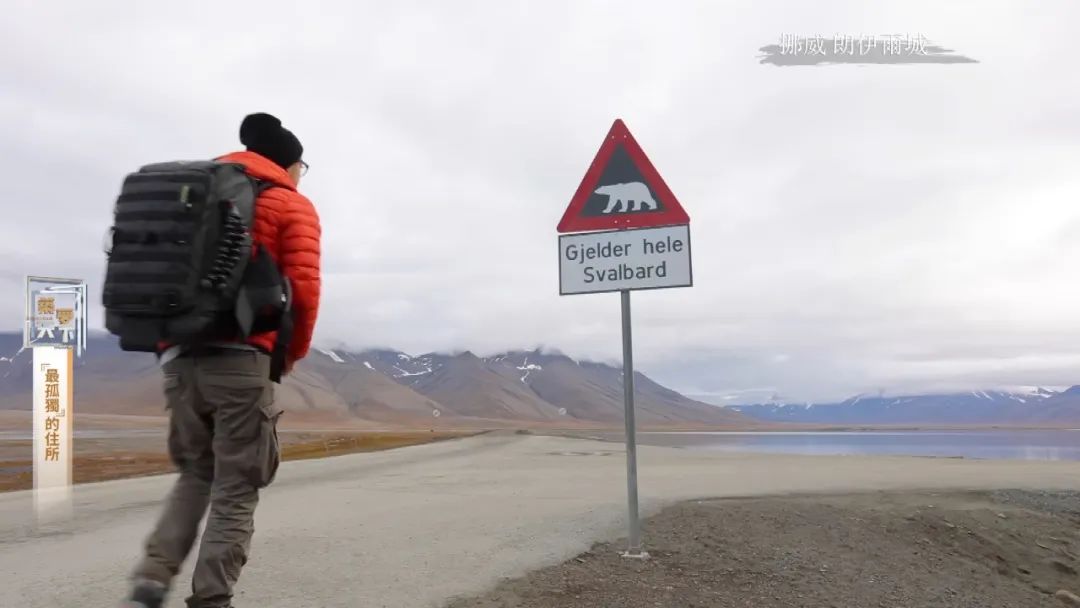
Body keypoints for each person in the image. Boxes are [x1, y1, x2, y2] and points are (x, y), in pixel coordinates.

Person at [122, 112, 322, 608]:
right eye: (303, 165)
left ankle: (151, 578)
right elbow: (305, 291)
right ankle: (212, 600)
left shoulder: (194, 195)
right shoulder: (288, 203)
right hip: (242, 360)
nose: (302, 174)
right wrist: (287, 357)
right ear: (287, 162)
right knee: (237, 485)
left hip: (179, 357)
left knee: (196, 472)